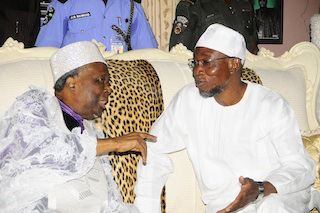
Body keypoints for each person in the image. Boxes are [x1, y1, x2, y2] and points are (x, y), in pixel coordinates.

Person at [134, 24, 319, 212]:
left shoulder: (271, 104)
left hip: (277, 195)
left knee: (271, 206)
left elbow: (301, 167)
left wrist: (260, 188)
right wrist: (147, 205)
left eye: (206, 62)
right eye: (195, 63)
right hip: (226, 207)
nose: (197, 71)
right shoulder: (189, 100)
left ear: (234, 64)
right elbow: (153, 148)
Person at [0, 41, 156, 212]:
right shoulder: (36, 104)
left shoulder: (93, 132)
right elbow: (40, 152)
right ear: (71, 83)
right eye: (100, 80)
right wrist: (114, 143)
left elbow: (106, 198)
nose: (109, 88)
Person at [35, 0, 158, 52]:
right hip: (77, 85)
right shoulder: (64, 3)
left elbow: (147, 52)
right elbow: (45, 51)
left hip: (119, 83)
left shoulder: (131, 5)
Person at [169, 0, 259, 54]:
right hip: (208, 74)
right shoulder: (192, 5)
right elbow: (178, 51)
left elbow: (253, 47)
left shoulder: (245, 4)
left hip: (241, 73)